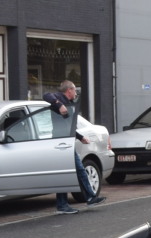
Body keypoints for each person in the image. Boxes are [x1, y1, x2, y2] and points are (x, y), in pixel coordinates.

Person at [42, 80, 105, 214]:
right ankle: (88, 197)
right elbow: (46, 95)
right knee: (78, 169)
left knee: (67, 172)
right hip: (60, 142)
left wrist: (81, 137)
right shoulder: (59, 98)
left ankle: (64, 204)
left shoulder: (70, 104)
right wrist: (59, 105)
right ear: (68, 90)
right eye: (75, 90)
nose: (76, 93)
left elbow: (69, 127)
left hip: (66, 141)